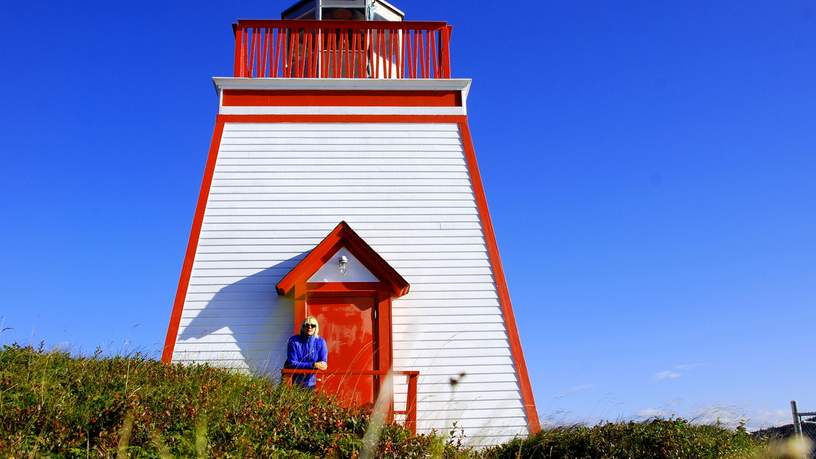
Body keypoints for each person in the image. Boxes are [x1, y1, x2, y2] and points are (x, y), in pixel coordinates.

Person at [284, 316, 328, 389]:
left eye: (312, 325)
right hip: (293, 381)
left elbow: (323, 362)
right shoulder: (294, 341)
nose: (309, 327)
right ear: (302, 327)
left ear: (316, 327)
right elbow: (292, 363)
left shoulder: (321, 341)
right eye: (306, 325)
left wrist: (323, 364)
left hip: (313, 382)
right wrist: (313, 365)